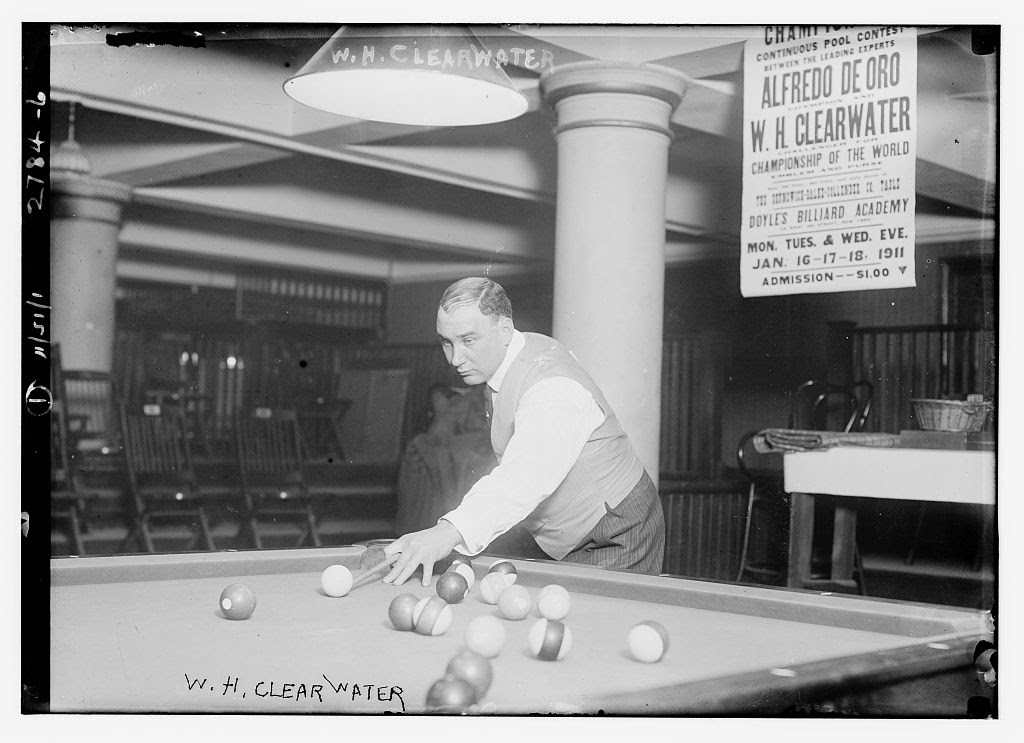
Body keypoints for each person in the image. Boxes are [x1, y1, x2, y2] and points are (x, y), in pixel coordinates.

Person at [383, 277, 664, 586]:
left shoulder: (552, 387)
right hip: (565, 537)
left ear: (504, 329)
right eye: (447, 342)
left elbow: (525, 477)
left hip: (617, 531)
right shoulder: (510, 357)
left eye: (468, 340)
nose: (455, 359)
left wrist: (448, 532)